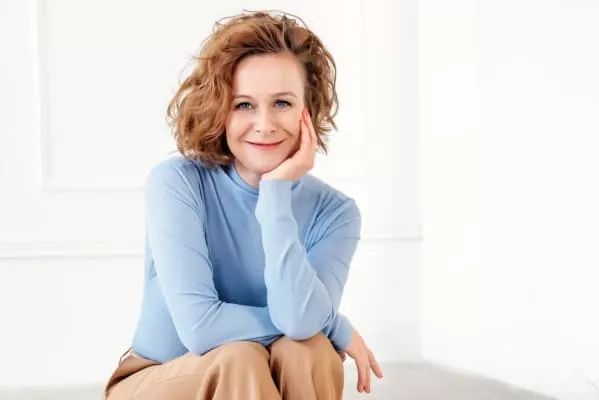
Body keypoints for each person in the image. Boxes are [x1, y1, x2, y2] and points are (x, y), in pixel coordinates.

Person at [103, 10, 383, 400]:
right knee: (241, 357)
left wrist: (275, 193)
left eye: (282, 103)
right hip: (160, 379)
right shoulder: (178, 182)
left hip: (257, 379)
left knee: (310, 350)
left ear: (309, 109)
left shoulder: (335, 213)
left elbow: (301, 323)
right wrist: (333, 324)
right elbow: (201, 328)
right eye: (244, 105)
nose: (264, 124)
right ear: (220, 109)